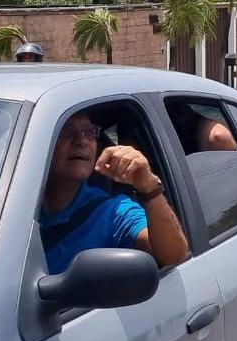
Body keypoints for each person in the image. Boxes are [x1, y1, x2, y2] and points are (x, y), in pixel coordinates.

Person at [40, 112, 188, 274]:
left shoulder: (113, 211)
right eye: (66, 131)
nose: (81, 141)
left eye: (90, 132)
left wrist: (150, 187)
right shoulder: (12, 200)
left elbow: (174, 255)